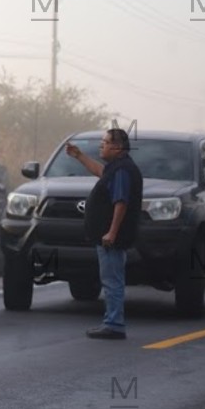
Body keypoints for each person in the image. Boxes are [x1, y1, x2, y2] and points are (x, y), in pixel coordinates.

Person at [65, 128, 143, 340]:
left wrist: (112, 232)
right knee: (112, 278)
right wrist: (79, 156)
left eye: (105, 142)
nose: (102, 145)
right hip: (111, 237)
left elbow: (121, 202)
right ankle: (113, 321)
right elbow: (101, 171)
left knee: (112, 280)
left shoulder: (122, 171)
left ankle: (114, 324)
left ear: (117, 147)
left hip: (112, 239)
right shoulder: (117, 168)